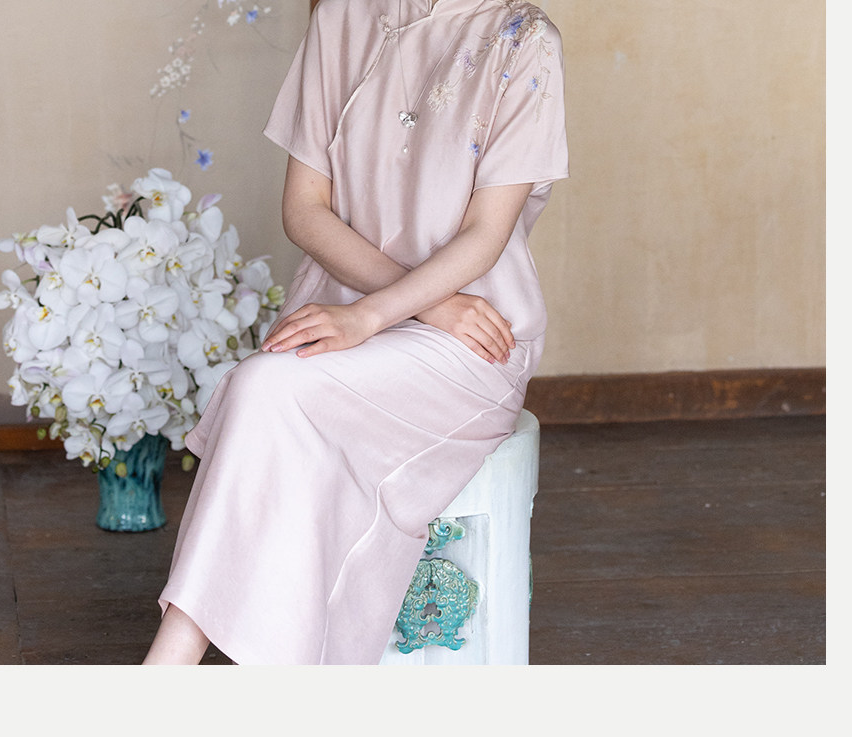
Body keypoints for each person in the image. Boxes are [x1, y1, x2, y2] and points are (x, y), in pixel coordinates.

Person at [143, 0, 568, 665]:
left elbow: (487, 233)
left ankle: (165, 670)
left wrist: (375, 315)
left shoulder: (523, 38)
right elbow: (304, 211)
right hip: (359, 313)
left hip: (469, 341)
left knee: (270, 388)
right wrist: (416, 306)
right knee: (265, 388)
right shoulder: (341, 17)